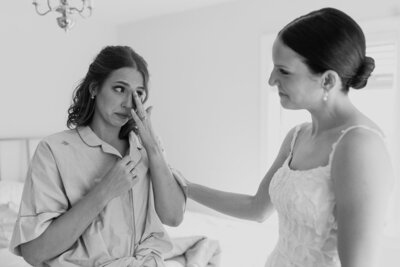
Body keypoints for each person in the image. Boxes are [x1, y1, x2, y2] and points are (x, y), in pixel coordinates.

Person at [179, 7, 394, 267]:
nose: (271, 80)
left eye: (284, 71)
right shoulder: (298, 135)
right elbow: (256, 208)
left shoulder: (360, 146)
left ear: (327, 80)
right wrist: (184, 187)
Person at [9, 46, 186, 267]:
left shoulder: (147, 148)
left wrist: (153, 150)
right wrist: (105, 191)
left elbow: (173, 217)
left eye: (138, 93)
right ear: (94, 88)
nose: (129, 103)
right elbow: (34, 253)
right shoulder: (54, 150)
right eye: (119, 89)